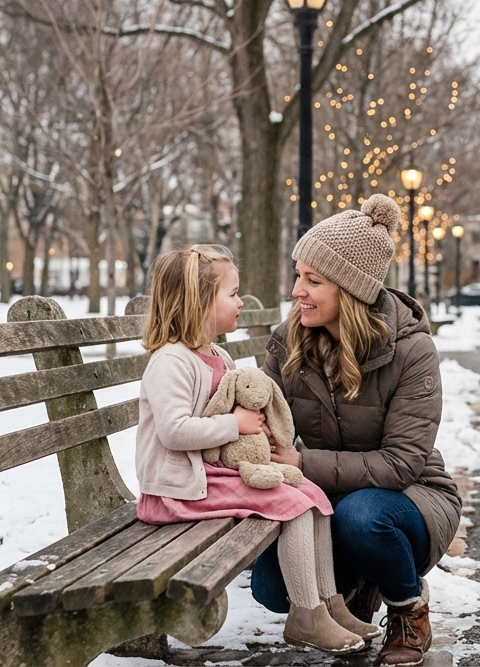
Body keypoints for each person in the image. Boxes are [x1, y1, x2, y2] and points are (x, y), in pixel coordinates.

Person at [250, 193, 462, 667]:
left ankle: (408, 608)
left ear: (349, 289)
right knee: (271, 587)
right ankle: (352, 588)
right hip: (327, 497)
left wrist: (302, 463)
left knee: (362, 518)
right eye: (297, 275)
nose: (296, 291)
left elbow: (402, 462)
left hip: (409, 496)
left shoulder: (412, 351)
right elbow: (263, 413)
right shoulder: (289, 342)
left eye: (313, 280)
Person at [134, 244, 372, 655]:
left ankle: (329, 603)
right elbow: (174, 432)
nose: (241, 301)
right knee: (291, 505)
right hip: (176, 490)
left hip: (211, 478)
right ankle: (305, 617)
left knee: (310, 496)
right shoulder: (171, 361)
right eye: (232, 293)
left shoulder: (217, 356)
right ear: (198, 303)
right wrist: (235, 425)